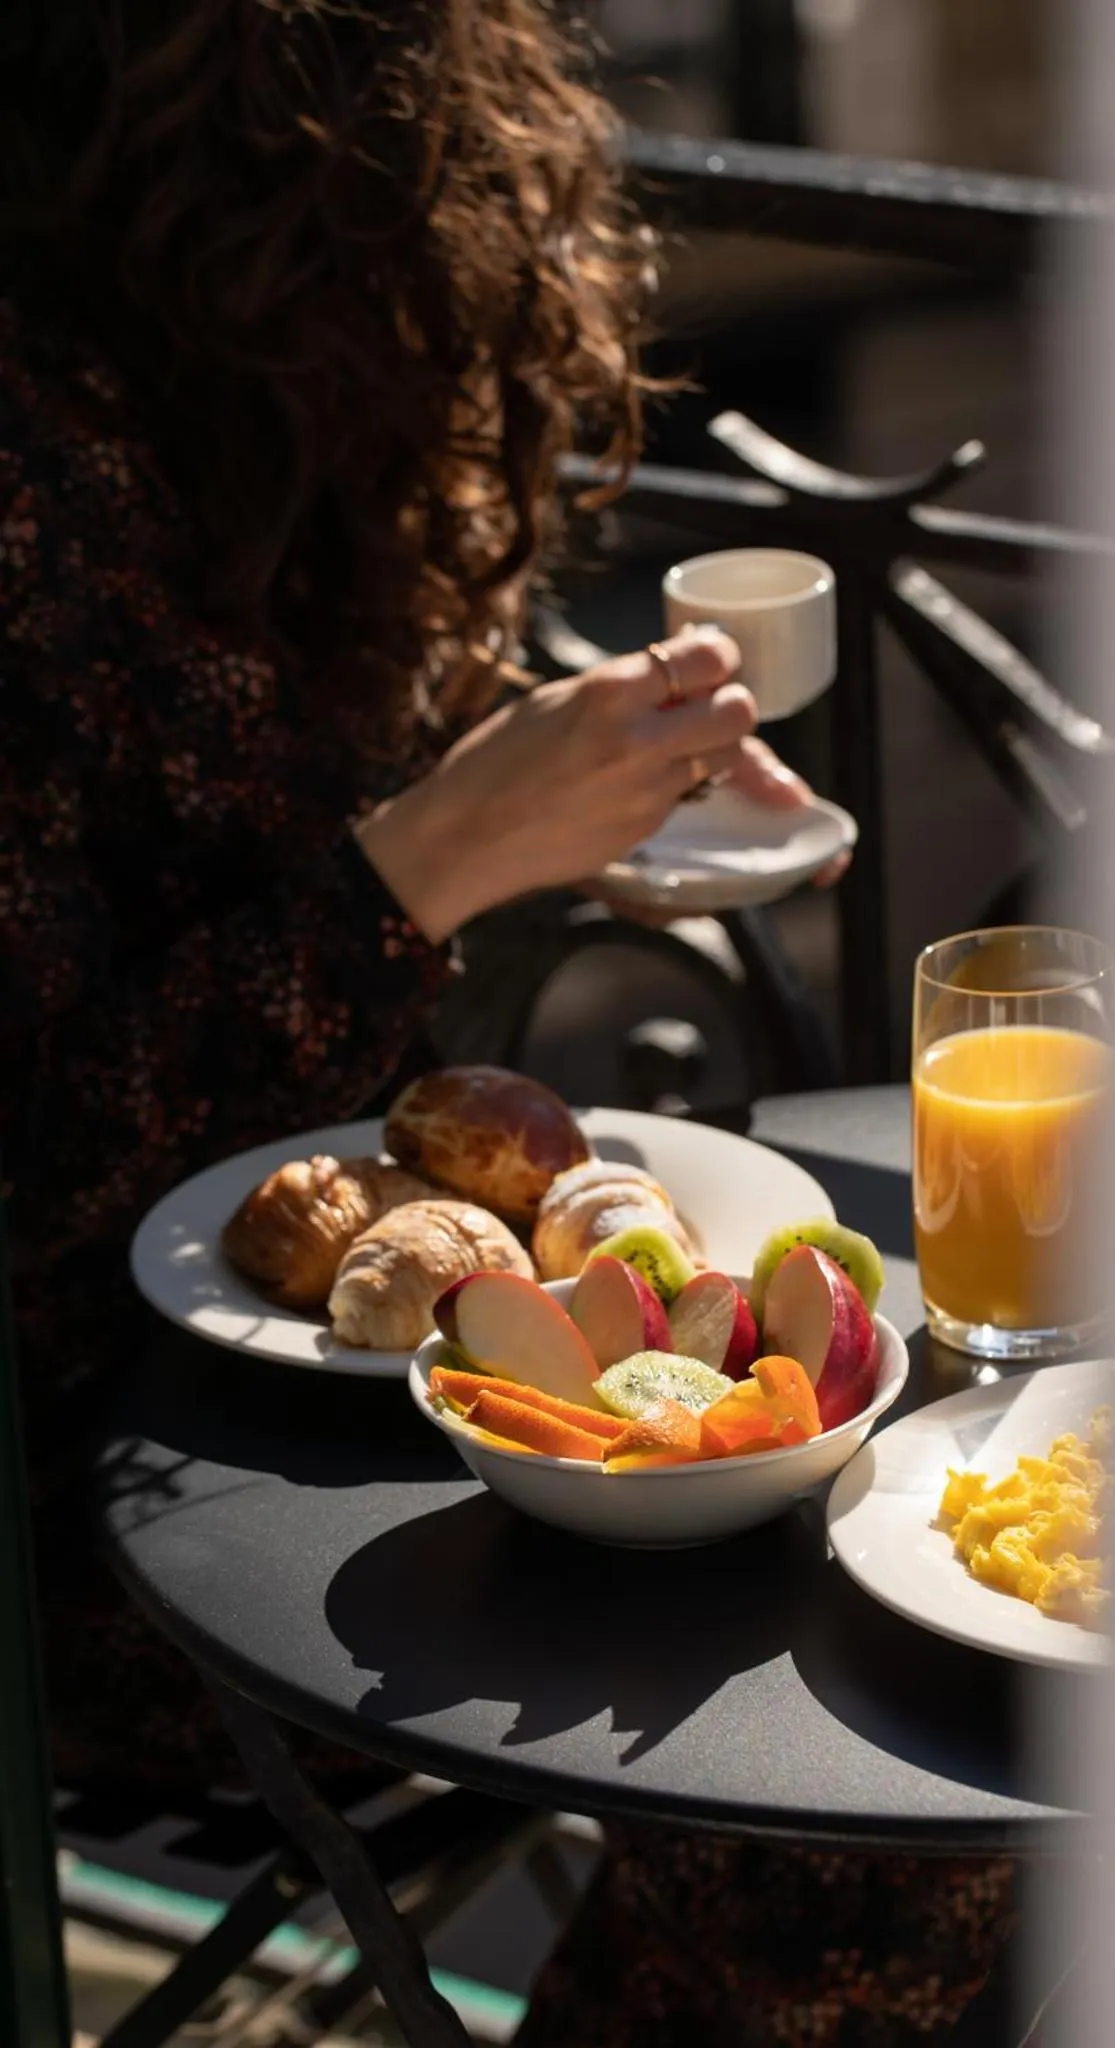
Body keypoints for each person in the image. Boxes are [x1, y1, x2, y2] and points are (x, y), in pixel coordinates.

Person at [0, 1, 1018, 2037]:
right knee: (887, 1720)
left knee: (948, 1590)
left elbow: (238, 823)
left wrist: (551, 795)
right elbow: (46, 1161)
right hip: (100, 1486)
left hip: (359, 1367)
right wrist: (427, 861)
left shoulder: (223, 384)